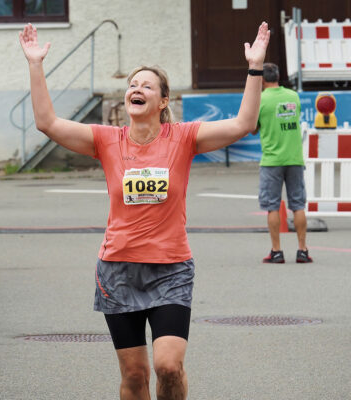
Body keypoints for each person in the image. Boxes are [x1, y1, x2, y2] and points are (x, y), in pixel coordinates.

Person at [19, 22, 270, 399]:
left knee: (168, 366)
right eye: (132, 85)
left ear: (163, 101)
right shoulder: (107, 140)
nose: (136, 89)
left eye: (147, 85)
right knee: (135, 376)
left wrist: (255, 68)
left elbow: (244, 124)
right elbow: (47, 123)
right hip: (118, 269)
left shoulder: (183, 138)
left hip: (170, 269)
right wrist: (36, 65)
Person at [253, 63, 312, 264]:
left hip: (272, 160)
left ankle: (276, 251)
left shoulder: (259, 99)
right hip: (294, 157)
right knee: (298, 204)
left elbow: (253, 128)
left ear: (262, 79)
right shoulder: (293, 96)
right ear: (278, 76)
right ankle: (302, 250)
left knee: (272, 206)